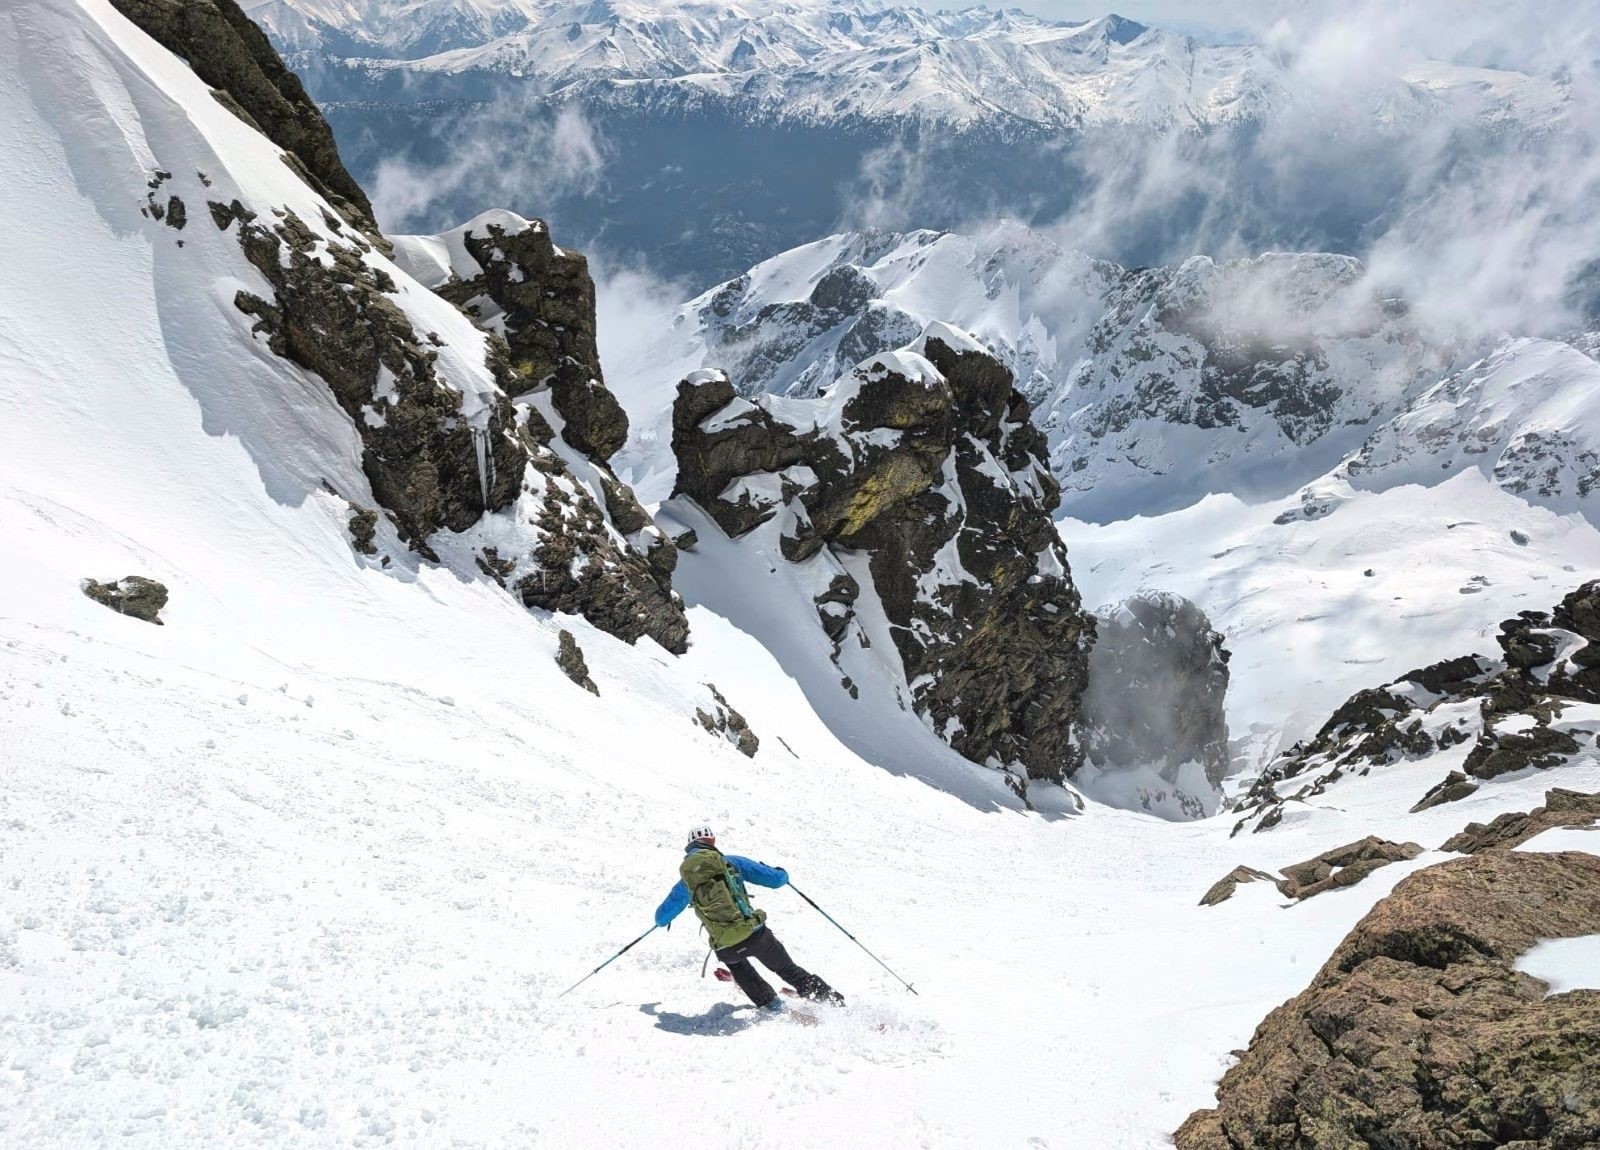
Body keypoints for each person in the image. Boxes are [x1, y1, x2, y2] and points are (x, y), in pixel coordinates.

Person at [655, 825, 844, 1013]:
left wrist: (663, 919)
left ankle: (772, 1005)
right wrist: (780, 871)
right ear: (712, 841)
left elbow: (662, 918)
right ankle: (835, 1004)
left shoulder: (688, 880)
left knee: (739, 966)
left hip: (726, 946)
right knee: (788, 970)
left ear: (690, 846)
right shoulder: (731, 862)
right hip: (756, 936)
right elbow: (777, 880)